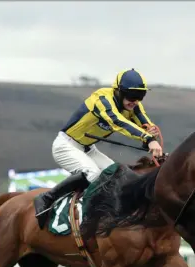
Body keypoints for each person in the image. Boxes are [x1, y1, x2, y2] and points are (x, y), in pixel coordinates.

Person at [34, 68, 163, 227]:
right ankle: (48, 197)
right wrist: (148, 138)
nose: (135, 100)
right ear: (118, 92)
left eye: (140, 96)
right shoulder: (102, 100)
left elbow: (143, 124)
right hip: (65, 145)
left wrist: (150, 136)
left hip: (88, 149)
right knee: (93, 174)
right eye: (131, 95)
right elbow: (118, 123)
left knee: (118, 175)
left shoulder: (133, 105)